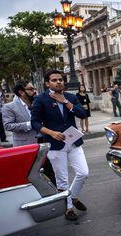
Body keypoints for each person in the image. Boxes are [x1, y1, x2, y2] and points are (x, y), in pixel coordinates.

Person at [31, 70, 89, 221]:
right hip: (55, 144)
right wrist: (51, 132)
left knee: (83, 173)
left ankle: (74, 196)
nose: (58, 82)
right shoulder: (41, 99)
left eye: (61, 80)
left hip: (74, 141)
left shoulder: (70, 97)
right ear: (47, 83)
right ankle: (68, 208)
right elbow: (35, 123)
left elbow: (82, 114)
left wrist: (65, 102)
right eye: (54, 80)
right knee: (62, 179)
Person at [3, 80, 56, 186]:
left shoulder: (37, 103)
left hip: (43, 143)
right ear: (21, 92)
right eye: (30, 89)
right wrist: (29, 124)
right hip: (25, 146)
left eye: (34, 89)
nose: (34, 91)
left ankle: (56, 196)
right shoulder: (10, 107)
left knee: (49, 172)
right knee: (29, 175)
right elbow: (8, 125)